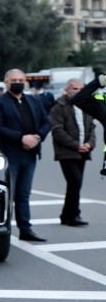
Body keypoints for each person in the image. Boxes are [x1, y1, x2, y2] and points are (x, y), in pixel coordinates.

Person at [0, 68, 51, 242]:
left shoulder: (34, 101)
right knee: (8, 194)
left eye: (21, 80)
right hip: (10, 154)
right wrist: (21, 138)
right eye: (14, 80)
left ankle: (25, 229)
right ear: (6, 82)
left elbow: (46, 122)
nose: (18, 83)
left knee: (24, 194)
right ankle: (2, 229)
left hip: (30, 154)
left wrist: (37, 137)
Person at [49, 78, 94, 227]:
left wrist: (89, 144)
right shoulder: (59, 107)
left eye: (81, 89)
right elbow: (57, 131)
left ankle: (68, 214)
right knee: (74, 181)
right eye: (74, 89)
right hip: (67, 151)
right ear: (67, 90)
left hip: (83, 151)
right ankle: (72, 215)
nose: (78, 92)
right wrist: (76, 145)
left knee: (76, 183)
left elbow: (92, 128)